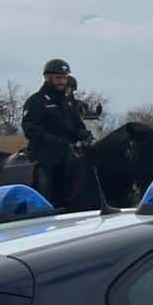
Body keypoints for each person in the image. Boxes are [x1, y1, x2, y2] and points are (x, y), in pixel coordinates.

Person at [21, 58, 92, 204]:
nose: (62, 82)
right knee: (46, 181)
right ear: (47, 77)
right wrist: (55, 141)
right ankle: (45, 209)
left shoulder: (68, 103)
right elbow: (30, 128)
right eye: (58, 78)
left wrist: (86, 137)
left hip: (69, 156)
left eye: (65, 78)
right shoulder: (36, 101)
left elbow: (77, 127)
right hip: (44, 157)